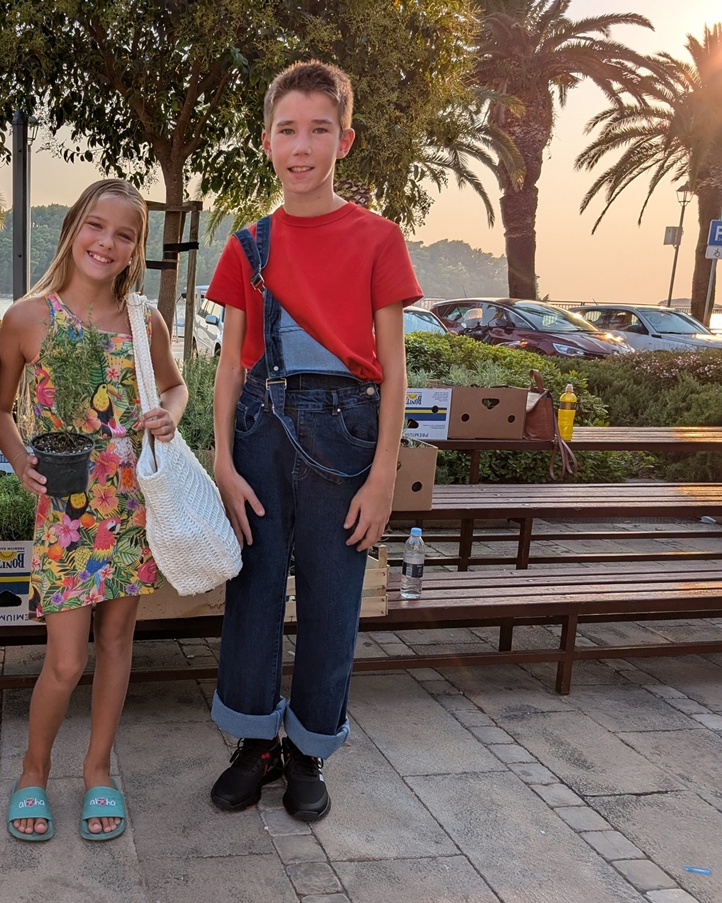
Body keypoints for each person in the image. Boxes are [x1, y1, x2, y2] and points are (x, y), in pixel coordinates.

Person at [206, 62, 419, 822]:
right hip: (259, 432)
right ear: (267, 141)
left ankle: (309, 749)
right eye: (288, 131)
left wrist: (384, 473)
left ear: (344, 140)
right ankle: (254, 744)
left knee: (332, 599)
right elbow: (229, 367)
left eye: (318, 130)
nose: (302, 147)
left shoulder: (378, 238)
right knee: (254, 591)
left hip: (347, 437)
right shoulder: (247, 246)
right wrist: (223, 462)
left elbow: (394, 367)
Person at [0, 179, 187, 843]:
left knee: (119, 642)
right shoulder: (27, 319)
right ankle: (34, 768)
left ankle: (98, 768)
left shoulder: (143, 320)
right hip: (66, 513)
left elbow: (175, 386)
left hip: (130, 507)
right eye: (96, 226)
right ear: (74, 228)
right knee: (66, 660)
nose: (107, 242)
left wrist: (170, 414)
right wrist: (19, 460)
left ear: (136, 248)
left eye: (124, 234)